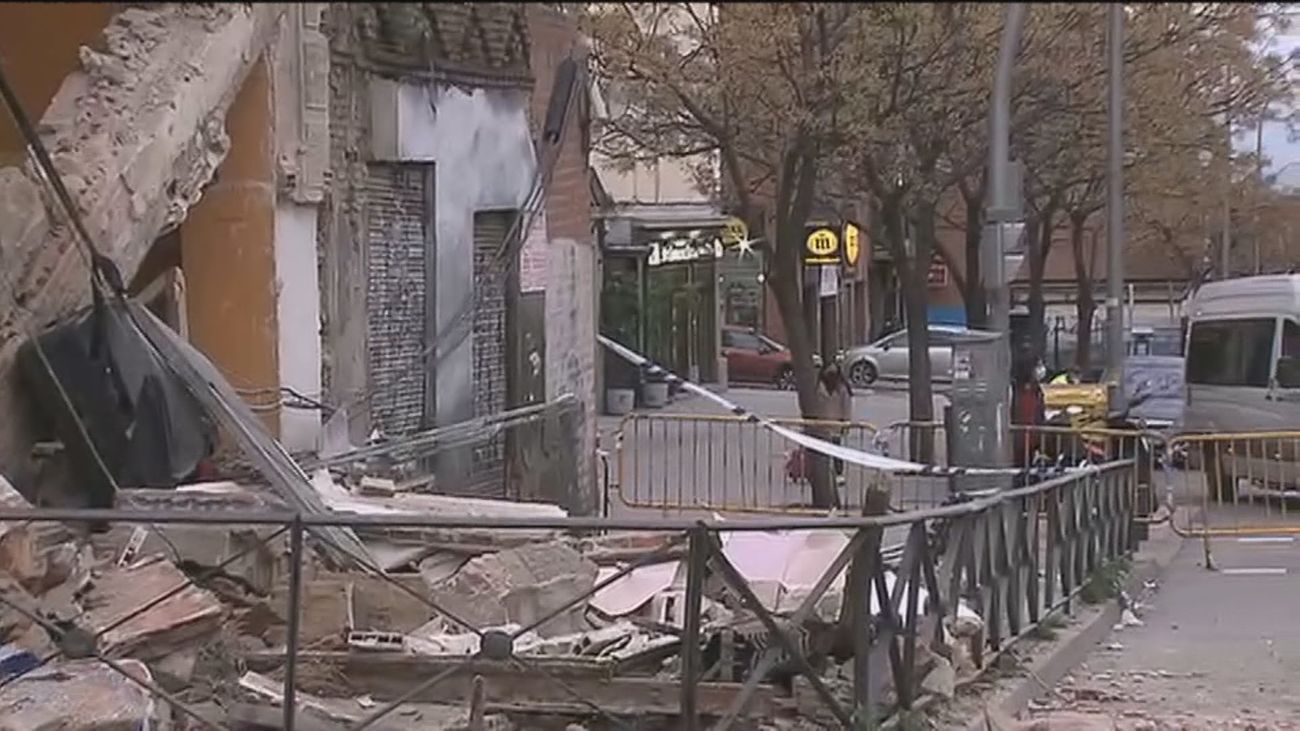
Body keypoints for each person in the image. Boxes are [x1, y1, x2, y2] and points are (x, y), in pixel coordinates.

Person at [818, 362, 853, 482]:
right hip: (823, 424)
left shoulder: (842, 389)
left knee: (836, 450)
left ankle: (838, 473)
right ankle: (824, 474)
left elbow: (846, 408)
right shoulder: (820, 386)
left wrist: (846, 423)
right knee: (822, 451)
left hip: (836, 425)